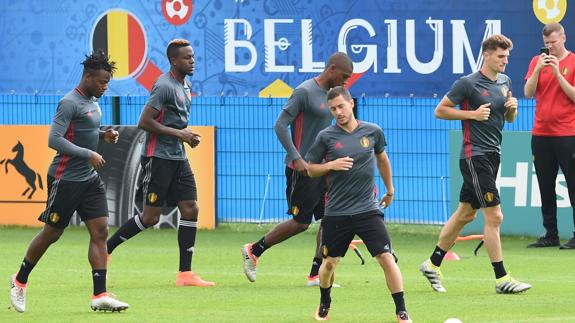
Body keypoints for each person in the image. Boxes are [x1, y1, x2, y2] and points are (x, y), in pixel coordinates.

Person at [10, 50, 129, 313]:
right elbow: (55, 139)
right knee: (52, 233)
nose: (104, 86)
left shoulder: (94, 102)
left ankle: (100, 294)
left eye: (107, 82)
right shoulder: (68, 102)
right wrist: (89, 153)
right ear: (87, 77)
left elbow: (84, 132)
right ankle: (19, 281)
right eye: (101, 82)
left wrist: (103, 135)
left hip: (88, 179)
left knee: (100, 231)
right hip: (65, 179)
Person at [419, 34, 532, 294]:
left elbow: (510, 119)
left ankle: (432, 264)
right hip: (474, 156)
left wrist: (512, 109)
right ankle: (502, 278)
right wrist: (472, 114)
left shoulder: (505, 82)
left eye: (507, 56)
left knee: (465, 215)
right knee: (495, 216)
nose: (505, 61)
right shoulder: (467, 84)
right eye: (501, 56)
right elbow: (440, 110)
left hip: (493, 155)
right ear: (487, 55)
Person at [106, 39, 215, 287]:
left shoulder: (185, 85)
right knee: (150, 217)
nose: (192, 61)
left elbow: (174, 122)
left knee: (190, 207)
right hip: (158, 158)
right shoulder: (164, 85)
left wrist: (186, 136)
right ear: (174, 61)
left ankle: (185, 274)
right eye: (187, 58)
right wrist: (180, 135)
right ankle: (107, 248)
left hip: (178, 157)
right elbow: (144, 121)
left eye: (193, 57)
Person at [241, 52, 354, 286]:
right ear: (331, 69)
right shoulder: (304, 91)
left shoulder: (334, 97)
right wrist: (297, 157)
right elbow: (280, 125)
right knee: (301, 223)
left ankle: (316, 274)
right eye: (344, 77)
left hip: (324, 169)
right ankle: (254, 250)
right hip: (301, 170)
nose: (345, 82)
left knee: (330, 218)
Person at [305, 86, 411, 322]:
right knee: (330, 264)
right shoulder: (326, 137)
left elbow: (382, 158)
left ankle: (402, 311)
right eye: (333, 109)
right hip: (337, 213)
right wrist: (329, 166)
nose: (338, 112)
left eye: (341, 106)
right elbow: (310, 169)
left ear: (351, 103)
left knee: (386, 257)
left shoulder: (372, 131)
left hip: (368, 209)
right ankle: (325, 300)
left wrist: (390, 190)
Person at [524, 22, 575, 249]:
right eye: (546, 43)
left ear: (563, 38)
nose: (550, 47)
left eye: (553, 42)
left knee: (573, 185)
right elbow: (528, 92)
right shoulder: (536, 61)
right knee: (545, 185)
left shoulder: (573, 62)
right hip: (541, 133)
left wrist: (557, 73)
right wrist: (537, 70)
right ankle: (550, 233)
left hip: (568, 133)